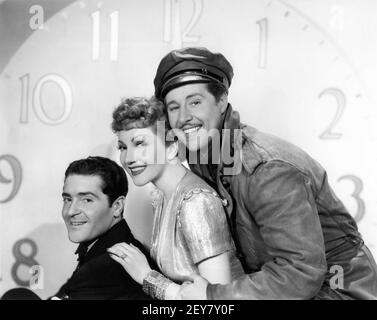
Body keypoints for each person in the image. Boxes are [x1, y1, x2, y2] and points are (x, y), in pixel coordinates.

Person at [152, 46, 377, 300]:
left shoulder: (267, 170)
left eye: (195, 102)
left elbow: (300, 273)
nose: (183, 117)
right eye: (173, 107)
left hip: (337, 288)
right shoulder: (203, 154)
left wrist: (212, 295)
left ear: (222, 101)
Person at [107, 97, 244, 300]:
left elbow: (217, 301)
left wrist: (146, 276)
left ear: (172, 148)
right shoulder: (161, 196)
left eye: (139, 143)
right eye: (123, 147)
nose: (128, 158)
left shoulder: (195, 202)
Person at [2, 156, 150, 300]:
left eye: (86, 200)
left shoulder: (106, 267)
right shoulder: (103, 248)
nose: (71, 211)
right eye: (67, 199)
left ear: (117, 206)